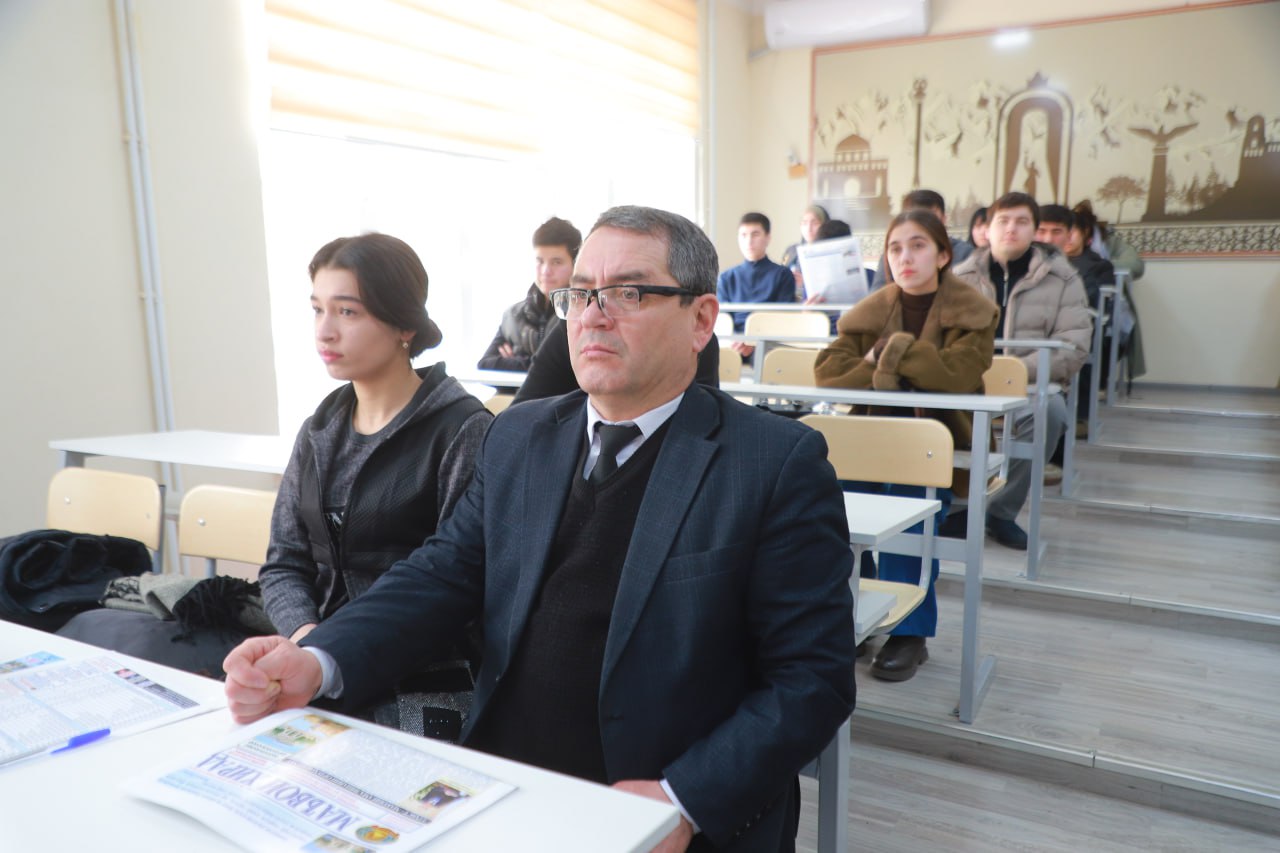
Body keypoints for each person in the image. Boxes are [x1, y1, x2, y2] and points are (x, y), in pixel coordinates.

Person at [225, 205, 857, 853]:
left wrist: (684, 799)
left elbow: (811, 677)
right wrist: (318, 658)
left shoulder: (773, 463)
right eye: (580, 294)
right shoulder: (521, 436)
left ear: (700, 320)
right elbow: (440, 573)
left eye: (628, 293)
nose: (593, 315)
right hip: (504, 784)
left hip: (657, 804)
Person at [258, 233, 492, 740]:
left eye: (347, 312)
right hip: (316, 659)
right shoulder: (319, 431)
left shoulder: (461, 430)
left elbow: (458, 590)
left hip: (421, 673)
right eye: (317, 309)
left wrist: (329, 654)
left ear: (404, 324)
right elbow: (283, 564)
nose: (325, 331)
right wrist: (310, 641)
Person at [815, 210, 998, 682]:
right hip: (870, 441)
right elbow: (829, 374)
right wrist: (902, 367)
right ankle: (857, 615)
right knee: (840, 522)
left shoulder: (973, 311)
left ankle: (909, 633)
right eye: (895, 248)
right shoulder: (871, 309)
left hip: (936, 447)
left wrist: (886, 351)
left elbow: (955, 375)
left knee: (907, 521)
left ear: (943, 255)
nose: (904, 257)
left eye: (917, 246)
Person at [952, 193, 1092, 549]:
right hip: (968, 383)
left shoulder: (1063, 279)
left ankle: (1000, 511)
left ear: (1034, 231)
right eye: (1003, 221)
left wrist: (1010, 372)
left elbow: (1072, 346)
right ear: (987, 229)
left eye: (1021, 222)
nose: (1011, 229)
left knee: (1051, 412)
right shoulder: (960, 276)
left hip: (1029, 384)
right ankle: (958, 508)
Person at [477, 217, 581, 370]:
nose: (546, 271)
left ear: (575, 265)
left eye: (556, 262)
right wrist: (531, 363)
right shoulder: (513, 315)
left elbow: (566, 370)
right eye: (540, 261)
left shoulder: (582, 315)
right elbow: (485, 364)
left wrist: (515, 360)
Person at [716, 211, 797, 360]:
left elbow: (783, 318)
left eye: (755, 234)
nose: (749, 241)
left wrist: (753, 343)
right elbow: (722, 319)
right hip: (733, 342)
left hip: (768, 342)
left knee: (767, 358)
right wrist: (737, 340)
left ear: (768, 238)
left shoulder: (782, 275)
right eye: (743, 235)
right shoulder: (727, 278)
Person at [871, 189, 974, 289]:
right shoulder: (893, 254)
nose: (905, 258)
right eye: (915, 218)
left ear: (944, 219)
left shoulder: (964, 252)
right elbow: (877, 293)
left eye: (918, 246)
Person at [779, 204, 829, 297]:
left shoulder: (829, 253)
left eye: (815, 223)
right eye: (804, 223)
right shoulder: (792, 250)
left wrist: (805, 284)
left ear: (824, 226)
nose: (809, 228)